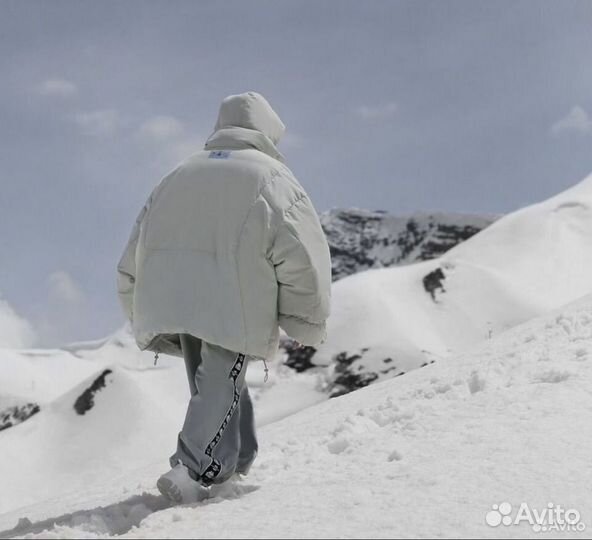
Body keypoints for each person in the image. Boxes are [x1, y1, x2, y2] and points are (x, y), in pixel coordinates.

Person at [116, 92, 332, 503]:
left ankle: (235, 459)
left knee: (215, 378)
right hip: (234, 297)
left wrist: (133, 300)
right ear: (268, 132)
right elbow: (302, 257)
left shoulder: (176, 175)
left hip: (174, 295)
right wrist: (307, 318)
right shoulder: (273, 179)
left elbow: (136, 247)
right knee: (221, 376)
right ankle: (192, 469)